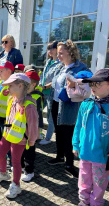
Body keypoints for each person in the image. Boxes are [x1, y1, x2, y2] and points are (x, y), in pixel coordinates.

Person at [45, 40, 90, 178]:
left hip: (69, 106)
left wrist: (76, 82)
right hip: (55, 103)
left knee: (68, 134)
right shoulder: (60, 66)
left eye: (60, 53)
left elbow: (89, 81)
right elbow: (51, 78)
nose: (58, 56)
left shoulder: (80, 68)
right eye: (57, 53)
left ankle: (69, 164)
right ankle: (59, 157)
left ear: (70, 52)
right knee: (58, 132)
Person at [0, 73, 38, 199]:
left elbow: (33, 125)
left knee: (16, 162)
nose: (7, 89)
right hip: (8, 134)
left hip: (20, 138)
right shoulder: (11, 100)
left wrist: (32, 140)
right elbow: (9, 116)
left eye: (10, 86)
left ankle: (16, 185)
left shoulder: (29, 105)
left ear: (20, 86)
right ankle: (3, 173)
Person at [72, 69, 109, 206]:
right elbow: (78, 126)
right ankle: (84, 201)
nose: (93, 87)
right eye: (92, 84)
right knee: (84, 180)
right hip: (85, 153)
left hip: (102, 155)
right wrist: (75, 144)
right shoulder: (86, 104)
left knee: (100, 183)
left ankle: (96, 202)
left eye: (98, 84)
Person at [21, 71, 44, 182]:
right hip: (20, 127)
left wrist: (37, 131)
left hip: (30, 129)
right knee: (21, 148)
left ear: (34, 84)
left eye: (27, 82)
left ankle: (29, 171)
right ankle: (21, 166)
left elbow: (38, 115)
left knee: (30, 150)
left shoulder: (37, 96)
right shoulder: (23, 94)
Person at [39, 41, 60, 145]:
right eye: (48, 48)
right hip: (43, 92)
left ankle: (48, 138)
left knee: (51, 117)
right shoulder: (48, 61)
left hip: (52, 93)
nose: (50, 51)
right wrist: (40, 83)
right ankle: (40, 134)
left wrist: (47, 85)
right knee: (39, 113)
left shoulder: (60, 63)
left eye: (52, 48)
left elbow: (57, 79)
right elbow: (43, 74)